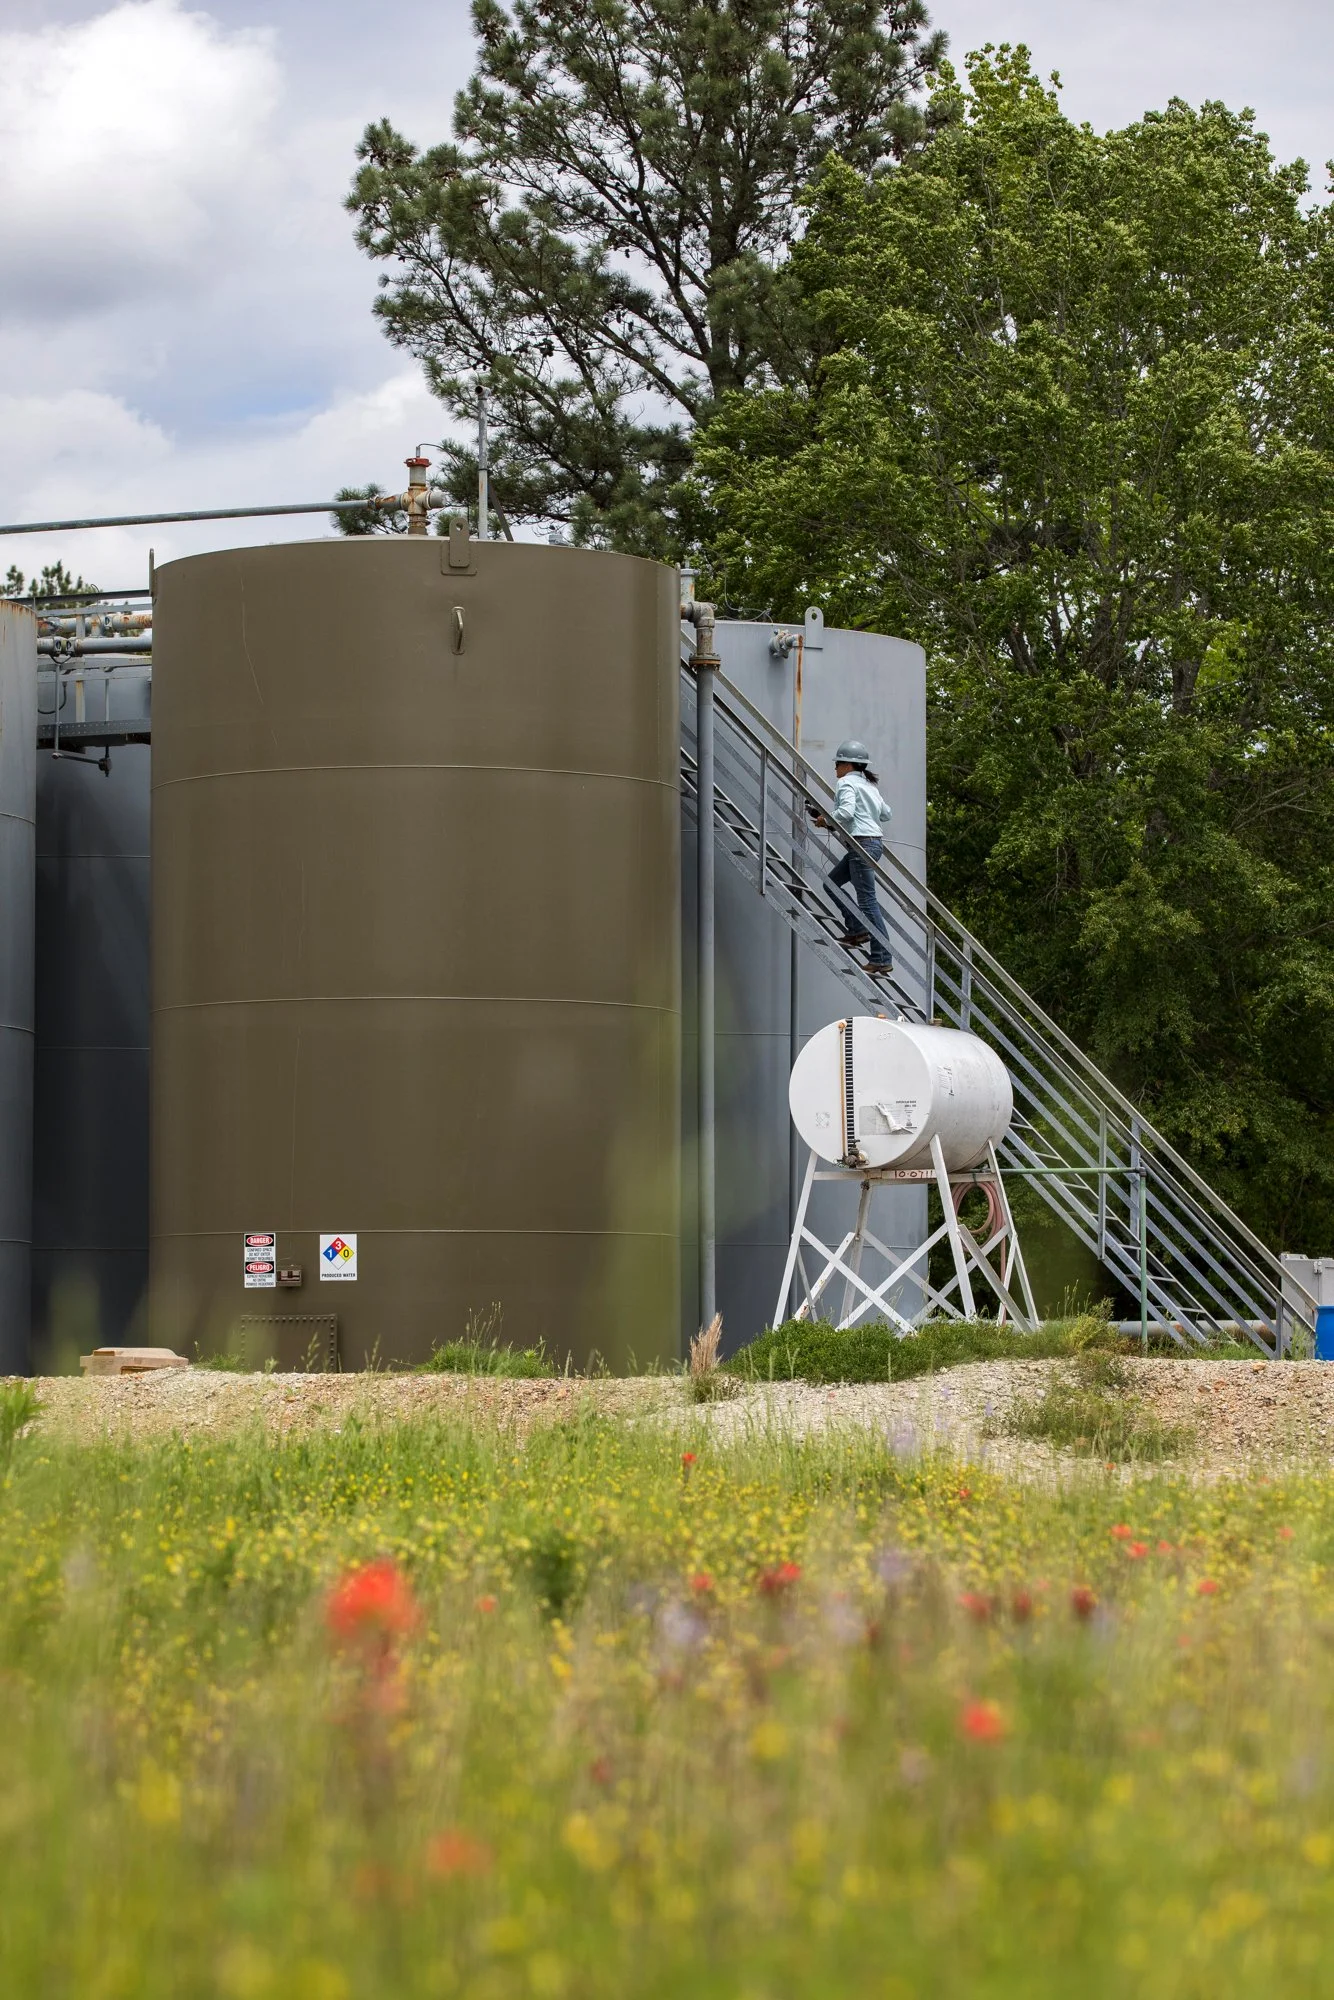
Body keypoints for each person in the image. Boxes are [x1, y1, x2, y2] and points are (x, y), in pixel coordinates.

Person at [819, 739, 893, 973]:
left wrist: (827, 819)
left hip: (861, 845)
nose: (835, 768)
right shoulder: (870, 786)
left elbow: (847, 811)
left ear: (848, 765)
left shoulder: (846, 783)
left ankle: (881, 957)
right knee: (830, 884)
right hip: (870, 843)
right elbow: (886, 814)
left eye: (838, 763)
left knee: (868, 902)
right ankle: (856, 929)